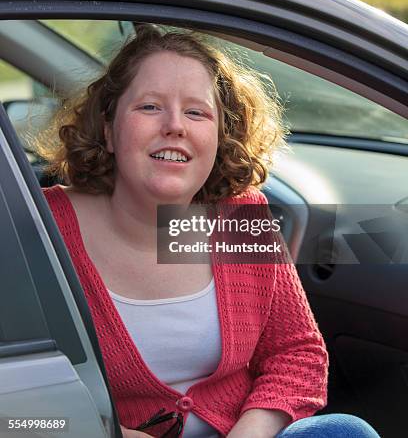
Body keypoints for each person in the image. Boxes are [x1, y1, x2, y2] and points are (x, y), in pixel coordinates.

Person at [39, 24, 379, 438]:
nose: (174, 126)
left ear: (219, 137)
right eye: (149, 107)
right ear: (108, 130)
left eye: (196, 112)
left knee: (345, 432)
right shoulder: (42, 226)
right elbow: (16, 409)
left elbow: (297, 355)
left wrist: (248, 434)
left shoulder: (234, 217)